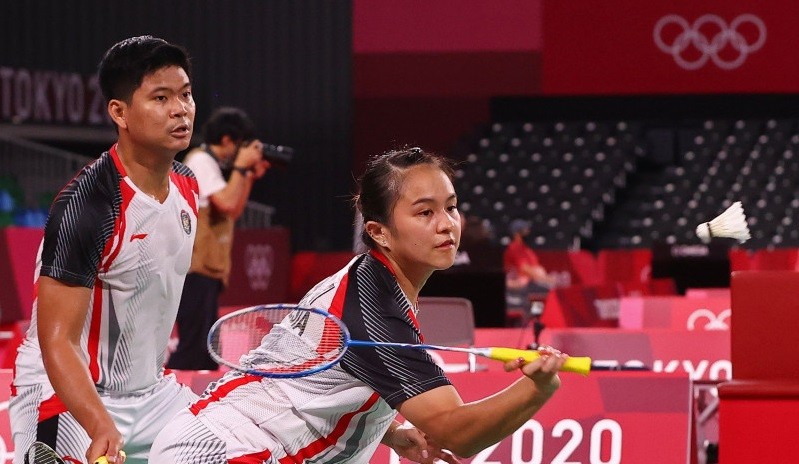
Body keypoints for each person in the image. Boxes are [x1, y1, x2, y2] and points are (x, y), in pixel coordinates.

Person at [150, 147, 568, 463]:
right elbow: (457, 433)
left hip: (218, 439)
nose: (446, 224)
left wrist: (389, 434)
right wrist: (538, 387)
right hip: (222, 450)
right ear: (379, 232)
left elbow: (313, 380)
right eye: (425, 213)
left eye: (451, 207)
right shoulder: (374, 310)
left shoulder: (370, 281)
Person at [9, 35, 200, 464]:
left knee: (236, 448)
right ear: (120, 112)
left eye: (186, 94)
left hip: (153, 394)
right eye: (161, 97)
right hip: (69, 392)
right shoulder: (90, 206)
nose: (180, 109)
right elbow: (55, 341)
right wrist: (98, 423)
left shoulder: (187, 186)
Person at [166, 107, 270, 371]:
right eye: (241, 144)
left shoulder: (209, 165)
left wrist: (246, 175)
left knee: (206, 350)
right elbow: (225, 202)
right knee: (194, 347)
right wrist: (239, 167)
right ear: (227, 140)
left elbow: (233, 209)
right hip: (194, 271)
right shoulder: (200, 160)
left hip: (206, 271)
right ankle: (172, 396)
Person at [503, 218, 557, 308]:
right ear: (516, 234)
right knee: (545, 294)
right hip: (518, 287)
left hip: (531, 284)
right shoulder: (514, 248)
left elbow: (536, 268)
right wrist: (545, 279)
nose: (528, 232)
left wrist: (544, 277)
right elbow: (524, 269)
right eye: (525, 231)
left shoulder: (527, 250)